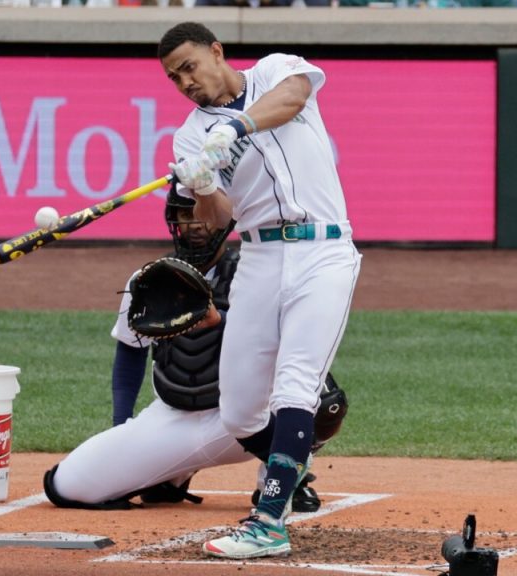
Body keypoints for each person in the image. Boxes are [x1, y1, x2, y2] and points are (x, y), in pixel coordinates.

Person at [160, 22, 362, 559]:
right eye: (174, 76)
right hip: (260, 258)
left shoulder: (274, 70)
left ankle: (269, 521)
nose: (184, 81)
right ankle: (290, 463)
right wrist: (201, 183)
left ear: (216, 52)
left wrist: (237, 128)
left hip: (324, 252)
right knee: (241, 411)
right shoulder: (189, 136)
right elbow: (217, 220)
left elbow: (294, 98)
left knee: (295, 387)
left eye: (189, 66)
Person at [42, 187, 346, 512]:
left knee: (322, 397)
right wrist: (122, 429)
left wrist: (222, 320)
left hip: (245, 419)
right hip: (172, 416)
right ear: (172, 220)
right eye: (185, 215)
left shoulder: (260, 275)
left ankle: (282, 477)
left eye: (201, 213)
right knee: (66, 486)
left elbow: (290, 343)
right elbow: (131, 353)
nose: (195, 224)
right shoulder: (148, 281)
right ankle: (168, 476)